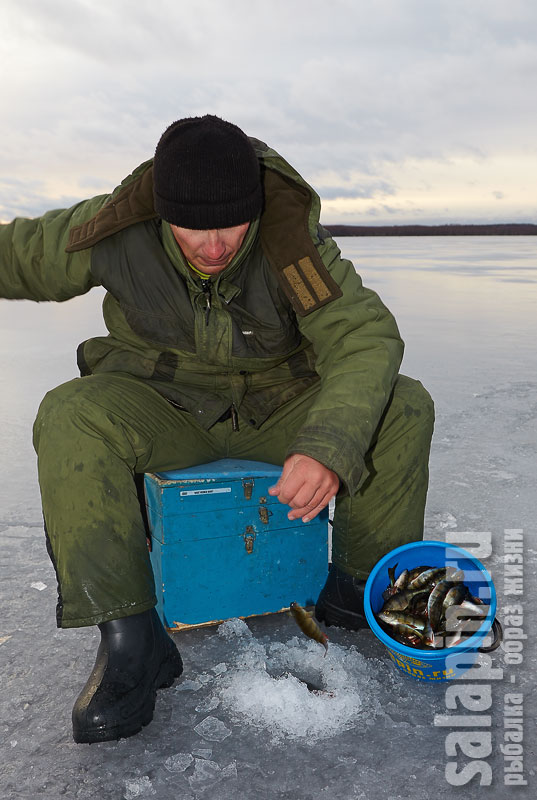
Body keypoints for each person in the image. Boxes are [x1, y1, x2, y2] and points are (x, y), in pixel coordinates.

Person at [0, 115, 434, 743]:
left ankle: (354, 589)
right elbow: (20, 255)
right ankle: (132, 639)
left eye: (230, 225)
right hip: (165, 409)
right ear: (161, 209)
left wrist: (327, 446)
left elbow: (363, 337)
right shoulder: (116, 227)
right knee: (71, 413)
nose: (212, 246)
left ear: (252, 208)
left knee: (403, 403)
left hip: (275, 410)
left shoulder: (292, 242)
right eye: (191, 229)